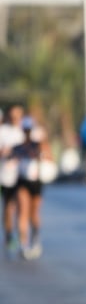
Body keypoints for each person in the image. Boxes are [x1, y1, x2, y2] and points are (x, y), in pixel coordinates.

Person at [11, 116, 53, 260]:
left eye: (29, 130)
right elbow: (10, 160)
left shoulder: (39, 144)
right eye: (25, 129)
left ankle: (35, 238)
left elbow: (49, 158)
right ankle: (23, 243)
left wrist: (42, 147)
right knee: (22, 211)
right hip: (22, 181)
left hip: (36, 182)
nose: (27, 132)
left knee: (34, 213)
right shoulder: (17, 147)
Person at [0, 105, 25, 256]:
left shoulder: (25, 132)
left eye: (19, 115)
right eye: (13, 115)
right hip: (5, 177)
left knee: (22, 207)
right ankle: (9, 236)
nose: (16, 118)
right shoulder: (3, 132)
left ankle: (23, 239)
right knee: (8, 207)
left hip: (21, 176)